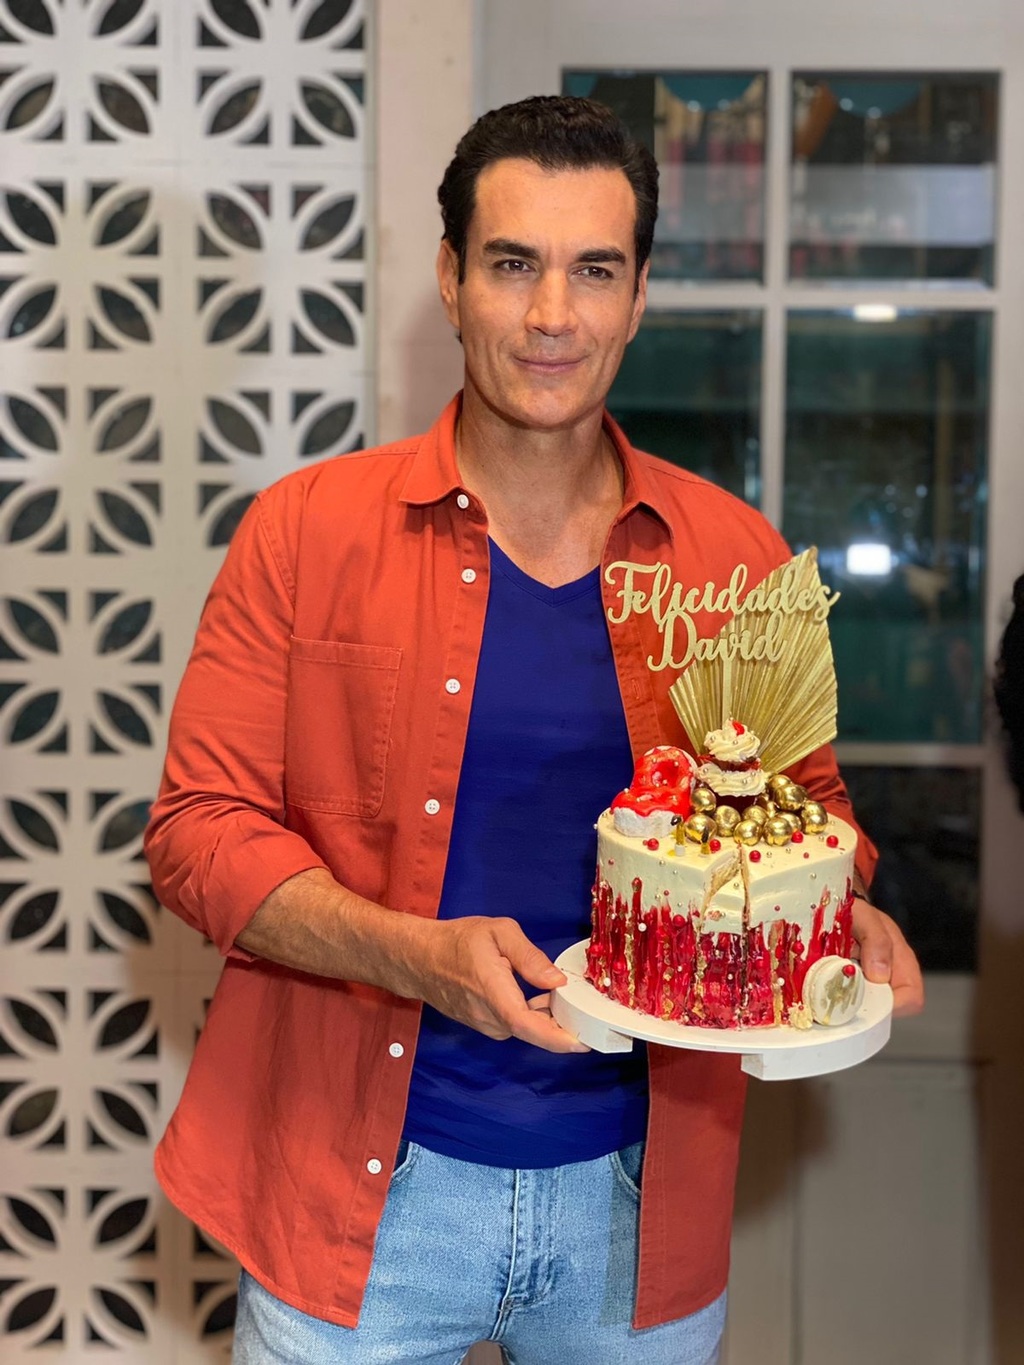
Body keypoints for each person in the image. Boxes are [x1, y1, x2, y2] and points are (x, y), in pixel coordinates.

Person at [145, 95, 924, 1365]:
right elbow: (196, 834)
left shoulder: (733, 561)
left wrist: (843, 906)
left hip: (641, 1202)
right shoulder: (304, 533)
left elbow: (814, 818)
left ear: (639, 295)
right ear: (450, 280)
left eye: (593, 271)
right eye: (512, 264)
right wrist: (415, 956)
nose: (552, 314)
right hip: (359, 1199)